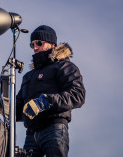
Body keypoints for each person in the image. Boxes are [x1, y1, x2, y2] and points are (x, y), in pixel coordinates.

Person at [16, 25, 86, 157]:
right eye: (32, 45)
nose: (35, 48)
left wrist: (45, 102)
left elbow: (78, 95)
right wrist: (8, 108)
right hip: (31, 134)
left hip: (54, 129)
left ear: (52, 44)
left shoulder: (64, 66)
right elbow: (22, 108)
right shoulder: (29, 76)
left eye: (39, 43)